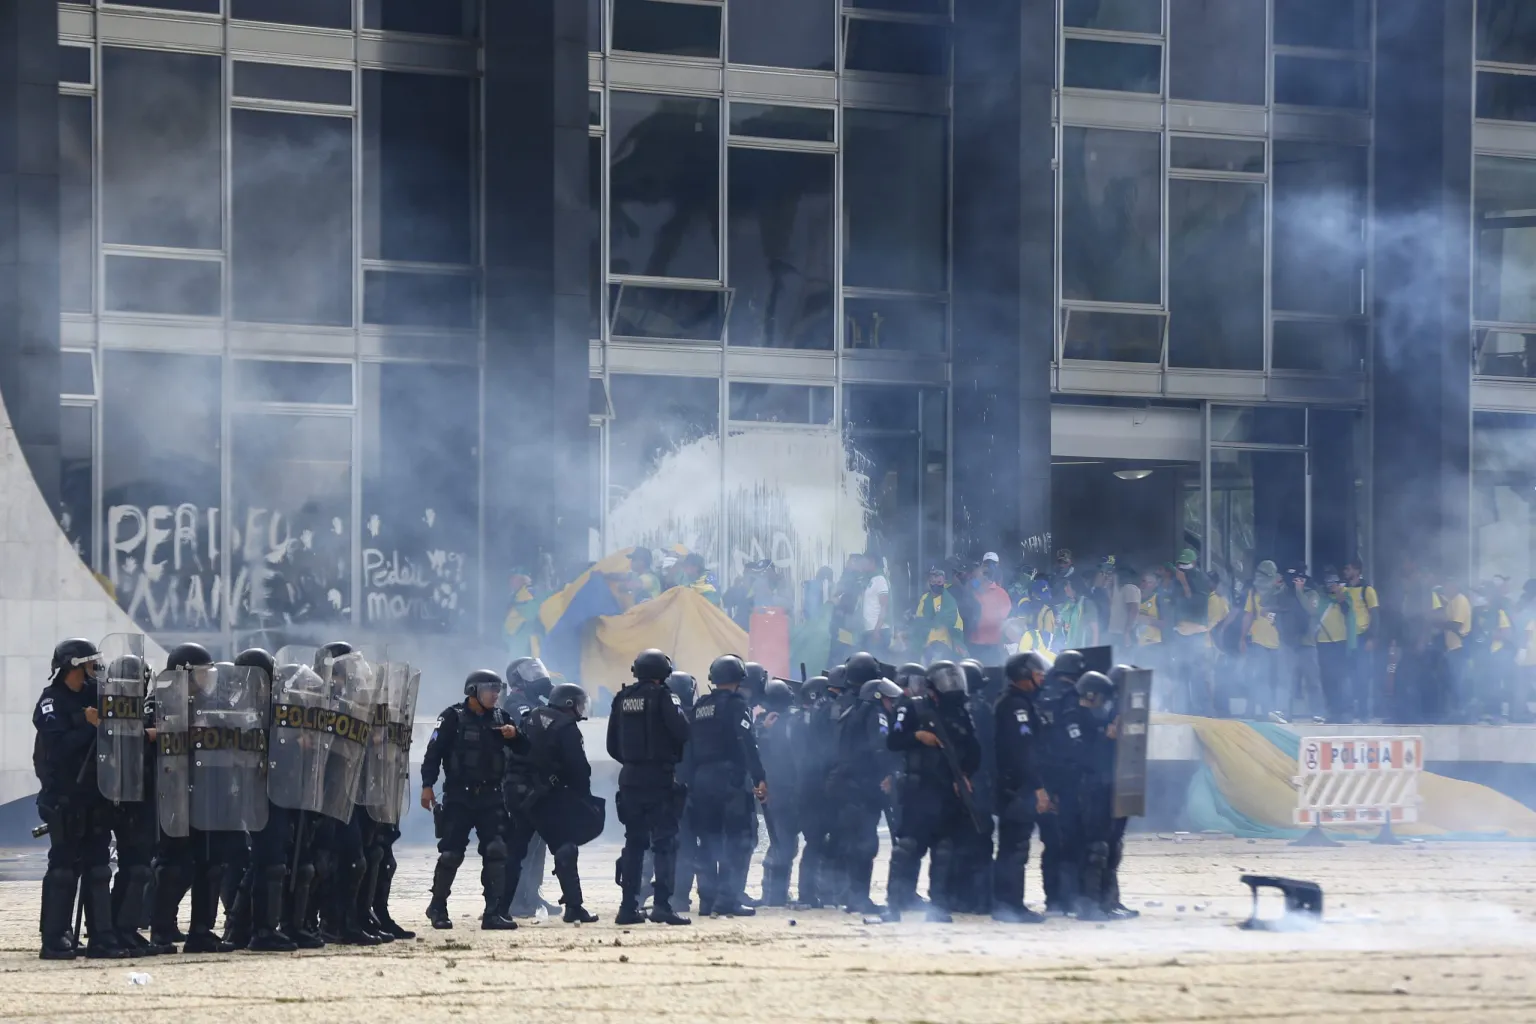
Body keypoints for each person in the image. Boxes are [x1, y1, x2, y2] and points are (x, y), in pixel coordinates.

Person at [34, 638, 129, 960]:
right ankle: (55, 935)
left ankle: (102, 935)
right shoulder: (51, 702)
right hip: (64, 797)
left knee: (99, 868)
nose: (95, 670)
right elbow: (57, 749)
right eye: (90, 664)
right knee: (64, 868)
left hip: (95, 795)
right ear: (72, 666)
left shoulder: (96, 696)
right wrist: (89, 726)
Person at [420, 669, 519, 931]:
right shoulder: (452, 716)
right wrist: (427, 785)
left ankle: (493, 912)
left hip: (491, 797)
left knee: (496, 851)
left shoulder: (502, 718)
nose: (495, 694)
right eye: (490, 689)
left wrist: (515, 735)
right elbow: (433, 752)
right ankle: (438, 907)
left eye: (498, 689)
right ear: (473, 691)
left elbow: (524, 750)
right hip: (459, 797)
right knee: (451, 854)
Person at [499, 682, 602, 923]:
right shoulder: (566, 727)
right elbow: (579, 768)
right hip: (543, 796)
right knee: (565, 847)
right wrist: (582, 798)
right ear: (568, 704)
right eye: (578, 704)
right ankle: (574, 907)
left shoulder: (533, 716)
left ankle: (499, 908)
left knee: (515, 851)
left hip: (517, 793)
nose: (580, 709)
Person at [884, 663, 976, 922]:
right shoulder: (913, 707)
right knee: (907, 848)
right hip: (919, 791)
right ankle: (894, 904)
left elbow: (973, 749)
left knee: (944, 849)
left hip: (948, 791)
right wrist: (917, 736)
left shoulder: (960, 712)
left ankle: (938, 907)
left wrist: (966, 774)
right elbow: (893, 741)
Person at [606, 649, 692, 925]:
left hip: (630, 778)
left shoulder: (622, 698)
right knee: (665, 842)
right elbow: (682, 732)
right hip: (659, 778)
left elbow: (612, 744)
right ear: (663, 673)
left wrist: (633, 761)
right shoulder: (665, 696)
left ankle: (628, 907)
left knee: (634, 843)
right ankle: (662, 906)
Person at [686, 655, 768, 917]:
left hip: (701, 780)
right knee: (738, 840)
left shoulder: (700, 706)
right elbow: (746, 741)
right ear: (738, 679)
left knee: (708, 840)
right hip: (729, 779)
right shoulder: (736, 704)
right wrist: (758, 777)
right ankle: (727, 900)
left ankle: (707, 900)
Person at [827, 676, 901, 915]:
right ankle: (859, 899)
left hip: (845, 785)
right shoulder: (875, 712)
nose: (892, 705)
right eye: (889, 700)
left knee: (853, 844)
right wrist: (889, 772)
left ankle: (852, 897)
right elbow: (880, 745)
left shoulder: (851, 712)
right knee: (865, 845)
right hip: (861, 788)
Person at [992, 651, 1049, 923]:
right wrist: (1038, 787)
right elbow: (1024, 751)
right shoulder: (1017, 706)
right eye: (1037, 673)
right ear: (1024, 676)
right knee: (1015, 848)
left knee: (1012, 847)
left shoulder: (1019, 702)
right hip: (1017, 788)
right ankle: (1009, 906)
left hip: (1013, 786)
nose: (1041, 678)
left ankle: (1007, 903)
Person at [1057, 671, 1118, 921]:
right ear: (1091, 695)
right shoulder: (1074, 718)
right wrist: (1105, 738)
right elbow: (1082, 754)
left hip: (1095, 788)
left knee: (1099, 847)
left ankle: (1096, 902)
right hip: (1082, 790)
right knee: (1092, 848)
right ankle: (1087, 904)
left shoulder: (1091, 717)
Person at [500, 657, 557, 918]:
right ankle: (515, 899)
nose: (539, 676)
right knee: (523, 843)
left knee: (539, 843)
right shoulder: (516, 704)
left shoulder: (535, 704)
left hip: (537, 781)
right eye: (532, 673)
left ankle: (532, 895)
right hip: (521, 782)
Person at [1033, 649, 1087, 913]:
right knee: (1070, 841)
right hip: (1066, 781)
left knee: (1051, 843)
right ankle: (1068, 899)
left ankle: (1053, 899)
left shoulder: (1040, 695)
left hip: (1042, 779)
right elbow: (1074, 740)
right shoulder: (1070, 698)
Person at [756, 678, 802, 907]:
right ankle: (773, 894)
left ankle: (776, 893)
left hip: (777, 788)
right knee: (782, 843)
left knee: (783, 842)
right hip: (781, 788)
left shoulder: (762, 723)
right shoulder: (788, 721)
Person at [1315, 572, 1361, 723]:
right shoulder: (1321, 599)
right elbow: (1314, 615)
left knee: (1342, 678)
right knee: (1327, 679)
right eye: (1329, 584)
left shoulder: (1345, 598)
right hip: (1323, 644)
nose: (1331, 587)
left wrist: (1340, 596)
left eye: (1334, 583)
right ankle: (1332, 711)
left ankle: (1346, 710)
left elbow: (1349, 615)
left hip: (1340, 643)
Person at [1242, 561, 1286, 719]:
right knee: (1260, 676)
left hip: (1279, 642)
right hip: (1258, 641)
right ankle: (1262, 710)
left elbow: (1287, 609)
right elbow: (1248, 615)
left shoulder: (1281, 591)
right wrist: (1242, 638)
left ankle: (1274, 710)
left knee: (1275, 679)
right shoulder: (1253, 592)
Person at [1341, 559, 1380, 718]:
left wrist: (1372, 638)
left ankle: (1364, 712)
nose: (1345, 571)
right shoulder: (1344, 590)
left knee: (1363, 675)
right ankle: (1351, 710)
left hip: (1363, 637)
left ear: (1357, 571)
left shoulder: (1367, 590)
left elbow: (1375, 615)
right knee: (1349, 675)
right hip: (1347, 638)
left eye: (1348, 568)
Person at [965, 555, 1014, 666]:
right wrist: (977, 579)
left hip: (993, 645)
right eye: (983, 572)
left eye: (987, 573)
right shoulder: (973, 590)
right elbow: (967, 587)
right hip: (973, 643)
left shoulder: (1001, 593)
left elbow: (1003, 621)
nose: (985, 576)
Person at [914, 566, 965, 662]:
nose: (936, 585)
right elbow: (919, 620)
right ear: (929, 583)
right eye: (933, 582)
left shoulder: (949, 600)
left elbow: (952, 620)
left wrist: (933, 621)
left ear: (944, 582)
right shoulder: (924, 599)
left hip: (945, 645)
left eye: (939, 582)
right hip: (927, 645)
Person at [857, 553, 891, 656]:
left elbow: (884, 606)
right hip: (868, 630)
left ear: (872, 562)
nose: (862, 565)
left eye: (864, 562)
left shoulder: (880, 579)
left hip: (878, 631)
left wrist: (877, 630)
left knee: (878, 664)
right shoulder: (869, 580)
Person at [1107, 565, 1142, 650]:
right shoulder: (1117, 589)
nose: (1110, 577)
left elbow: (1134, 610)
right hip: (1115, 633)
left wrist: (1127, 632)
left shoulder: (1130, 588)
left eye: (1113, 575)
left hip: (1125, 633)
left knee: (1125, 660)